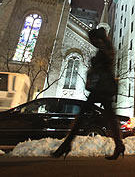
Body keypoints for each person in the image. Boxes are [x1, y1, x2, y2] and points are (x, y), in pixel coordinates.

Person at [52, 27, 125, 160]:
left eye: (93, 40)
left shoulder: (104, 48)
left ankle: (66, 145)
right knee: (109, 118)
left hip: (101, 88)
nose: (93, 42)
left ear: (98, 38)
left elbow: (104, 64)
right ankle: (119, 145)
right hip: (103, 88)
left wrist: (94, 66)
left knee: (83, 117)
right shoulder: (105, 47)